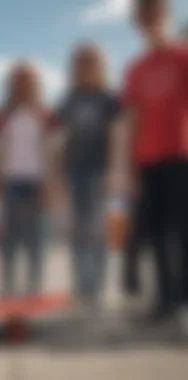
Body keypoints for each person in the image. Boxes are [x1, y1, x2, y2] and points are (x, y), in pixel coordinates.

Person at [110, 0, 188, 325]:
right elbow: (129, 119)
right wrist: (123, 169)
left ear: (167, 17)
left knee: (183, 232)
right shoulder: (135, 69)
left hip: (181, 156)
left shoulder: (183, 57)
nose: (151, 22)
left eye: (156, 14)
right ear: (138, 25)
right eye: (144, 17)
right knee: (154, 233)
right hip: (147, 160)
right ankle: (165, 302)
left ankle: (183, 302)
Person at [56, 43, 121, 308]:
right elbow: (60, 139)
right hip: (74, 173)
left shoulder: (109, 99)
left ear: (100, 66)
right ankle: (80, 285)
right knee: (77, 232)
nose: (86, 67)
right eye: (81, 62)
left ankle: (96, 286)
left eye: (91, 62)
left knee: (98, 231)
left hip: (100, 171)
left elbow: (119, 136)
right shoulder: (68, 99)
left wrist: (115, 171)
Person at [0, 62, 55, 298]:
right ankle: (8, 287)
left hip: (38, 181)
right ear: (12, 85)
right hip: (11, 181)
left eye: (29, 81)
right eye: (20, 81)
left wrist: (50, 182)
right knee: (10, 238)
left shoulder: (46, 114)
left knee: (37, 239)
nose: (24, 85)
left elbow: (53, 151)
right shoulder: (3, 114)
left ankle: (34, 288)